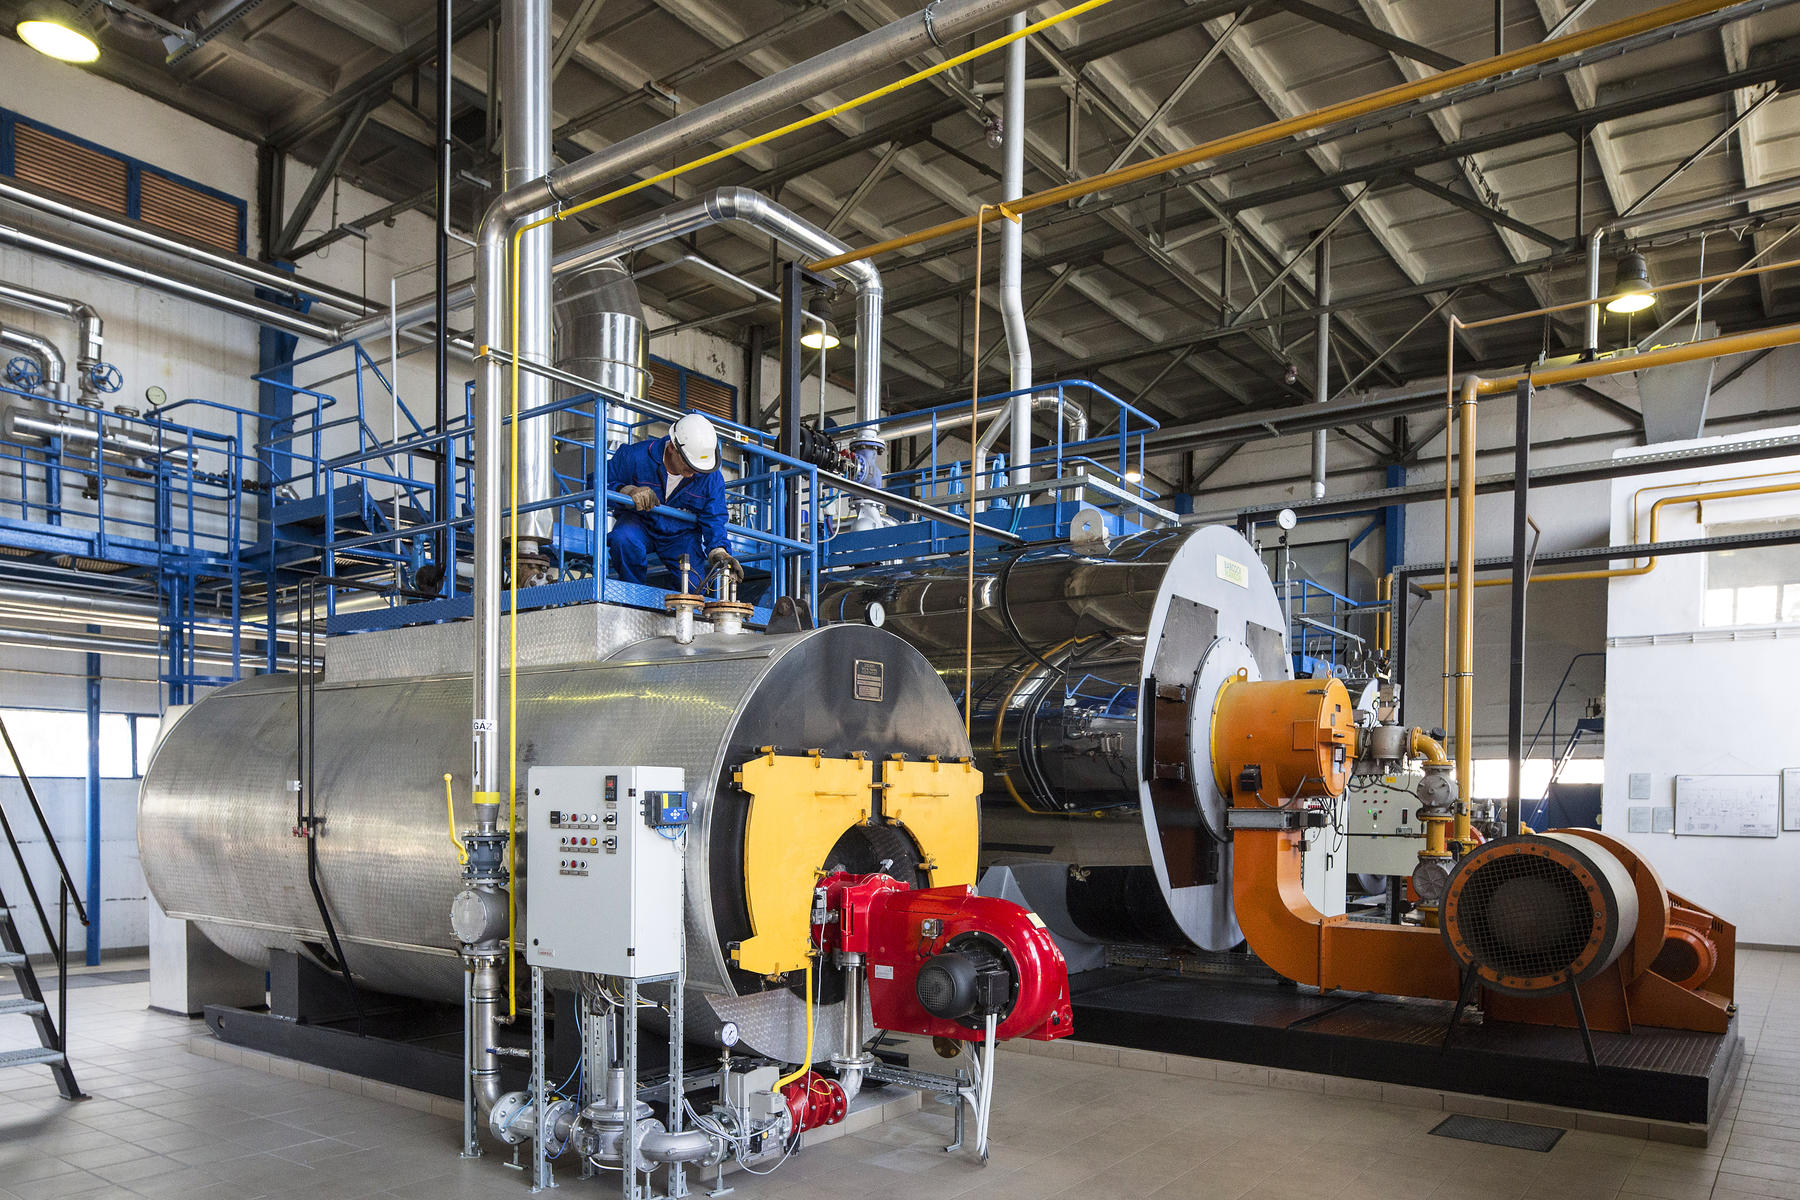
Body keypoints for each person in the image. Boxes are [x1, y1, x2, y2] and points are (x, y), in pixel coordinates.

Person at [604, 412, 742, 589]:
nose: (693, 473)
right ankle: (631, 595)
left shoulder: (710, 477)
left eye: (698, 468)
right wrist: (626, 490)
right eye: (689, 465)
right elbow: (598, 482)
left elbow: (714, 517)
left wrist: (719, 550)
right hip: (640, 522)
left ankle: (678, 604)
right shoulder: (636, 456)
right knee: (624, 539)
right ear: (671, 447)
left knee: (694, 586)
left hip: (681, 535)